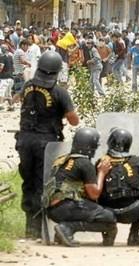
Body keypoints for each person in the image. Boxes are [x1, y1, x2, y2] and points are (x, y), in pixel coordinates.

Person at [14, 51, 79, 239]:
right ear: (57, 71)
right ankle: (42, 228)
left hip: (25, 140)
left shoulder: (27, 86)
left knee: (28, 182)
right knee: (44, 184)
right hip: (47, 143)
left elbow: (18, 100)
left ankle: (30, 228)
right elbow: (73, 120)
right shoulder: (59, 92)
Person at [44, 128, 117, 247]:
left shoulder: (63, 160)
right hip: (66, 207)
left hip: (52, 210)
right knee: (109, 217)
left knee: (87, 207)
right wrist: (102, 172)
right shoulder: (84, 163)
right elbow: (94, 194)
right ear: (90, 146)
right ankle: (67, 228)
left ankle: (62, 232)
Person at [97, 128, 139, 246]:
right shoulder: (137, 161)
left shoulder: (101, 162)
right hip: (133, 212)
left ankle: (108, 235)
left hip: (107, 213)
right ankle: (134, 235)